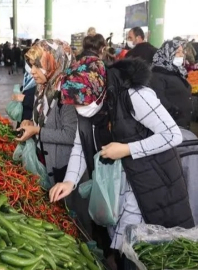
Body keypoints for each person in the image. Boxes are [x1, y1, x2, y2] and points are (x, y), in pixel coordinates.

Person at [51, 56, 194, 267]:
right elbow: (80, 144)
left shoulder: (134, 95)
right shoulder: (89, 101)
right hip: (120, 187)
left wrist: (127, 149)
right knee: (124, 247)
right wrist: (69, 181)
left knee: (151, 253)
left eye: (82, 102)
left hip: (152, 184)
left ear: (98, 90)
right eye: (76, 104)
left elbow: (173, 135)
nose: (80, 108)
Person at [16, 39, 77, 190]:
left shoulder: (67, 93)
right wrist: (31, 122)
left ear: (53, 63)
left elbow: (71, 135)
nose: (32, 71)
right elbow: (42, 116)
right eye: (32, 65)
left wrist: (37, 131)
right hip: (43, 159)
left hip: (61, 169)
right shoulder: (42, 87)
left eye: (38, 65)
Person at [150, 39, 192, 130]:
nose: (182, 55)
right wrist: (176, 113)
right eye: (178, 52)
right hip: (170, 125)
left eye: (182, 52)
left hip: (182, 123)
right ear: (167, 53)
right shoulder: (157, 74)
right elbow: (159, 99)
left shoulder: (177, 71)